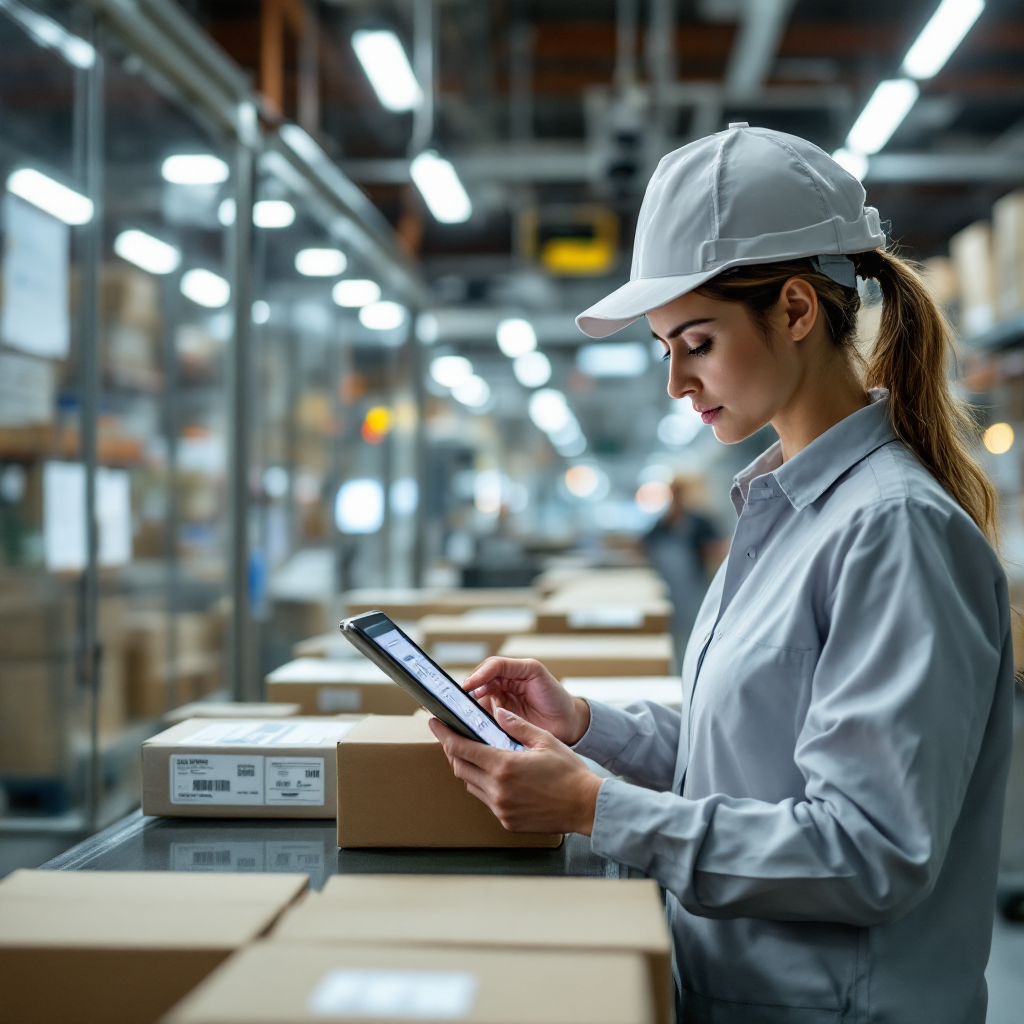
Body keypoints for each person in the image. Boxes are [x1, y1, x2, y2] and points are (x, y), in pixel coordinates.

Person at [428, 124, 1014, 1024]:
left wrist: (596, 808)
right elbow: (749, 757)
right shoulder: (785, 508)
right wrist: (584, 726)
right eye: (665, 348)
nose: (676, 382)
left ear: (795, 310)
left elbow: (870, 851)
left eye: (696, 342)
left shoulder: (892, 530)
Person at [643, 474, 726, 654]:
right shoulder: (664, 522)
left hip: (694, 586)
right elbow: (645, 545)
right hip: (669, 587)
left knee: (696, 630)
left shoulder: (701, 521)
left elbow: (717, 548)